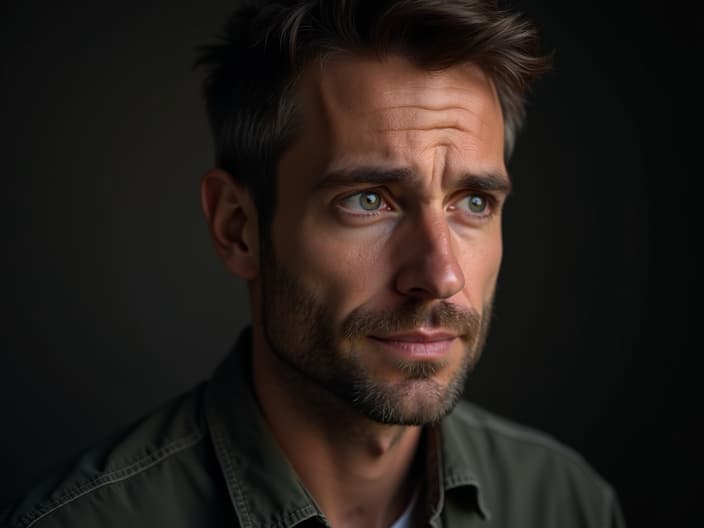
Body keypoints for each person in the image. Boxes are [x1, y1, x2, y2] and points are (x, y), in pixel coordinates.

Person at [1, 1, 626, 527]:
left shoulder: (566, 502)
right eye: (368, 200)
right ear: (237, 229)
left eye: (473, 202)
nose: (440, 276)